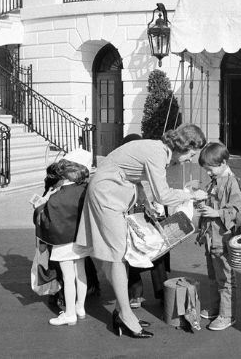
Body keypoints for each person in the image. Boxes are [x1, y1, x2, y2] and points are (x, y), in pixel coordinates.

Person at [76, 123, 207, 338]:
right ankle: (125, 316)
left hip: (112, 192)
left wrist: (145, 202)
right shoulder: (156, 154)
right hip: (107, 196)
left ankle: (122, 312)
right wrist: (192, 196)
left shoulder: (156, 149)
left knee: (121, 255)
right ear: (182, 146)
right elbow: (163, 195)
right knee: (117, 256)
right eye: (191, 154)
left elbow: (135, 175)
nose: (190, 159)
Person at [34, 152, 93, 326]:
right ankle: (80, 308)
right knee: (80, 273)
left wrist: (38, 208)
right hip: (81, 238)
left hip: (63, 242)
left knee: (68, 278)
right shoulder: (85, 190)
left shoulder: (57, 197)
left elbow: (45, 221)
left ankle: (69, 314)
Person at [195, 142, 241, 331]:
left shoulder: (232, 182)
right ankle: (217, 309)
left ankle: (227, 315)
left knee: (225, 279)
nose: (209, 173)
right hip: (211, 238)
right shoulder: (216, 181)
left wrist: (216, 213)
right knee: (213, 277)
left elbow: (239, 212)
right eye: (206, 169)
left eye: (211, 169)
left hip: (223, 239)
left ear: (223, 162)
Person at [120, 133, 171, 310]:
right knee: (142, 253)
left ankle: (144, 294)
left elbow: (160, 190)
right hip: (140, 215)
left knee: (147, 255)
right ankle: (153, 294)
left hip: (149, 214)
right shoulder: (133, 167)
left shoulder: (146, 163)